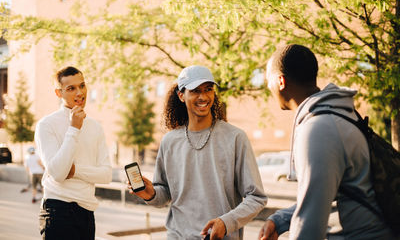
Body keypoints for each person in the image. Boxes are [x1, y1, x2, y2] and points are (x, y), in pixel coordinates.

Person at [258, 44, 395, 240]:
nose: (268, 88)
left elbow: (309, 224)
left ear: (281, 81)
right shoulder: (338, 114)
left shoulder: (318, 129)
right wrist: (280, 220)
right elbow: (324, 194)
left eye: (267, 81)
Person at [130, 65, 268, 240]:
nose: (203, 96)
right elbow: (165, 194)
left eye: (208, 89)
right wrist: (151, 194)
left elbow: (256, 197)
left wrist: (226, 222)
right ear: (181, 95)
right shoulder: (170, 141)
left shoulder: (235, 138)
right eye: (195, 91)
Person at [35, 66, 112, 240]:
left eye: (82, 86)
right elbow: (58, 172)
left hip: (86, 212)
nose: (79, 92)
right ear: (59, 93)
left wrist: (75, 171)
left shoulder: (96, 127)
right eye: (71, 88)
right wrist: (74, 129)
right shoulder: (46, 125)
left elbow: (106, 174)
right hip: (57, 211)